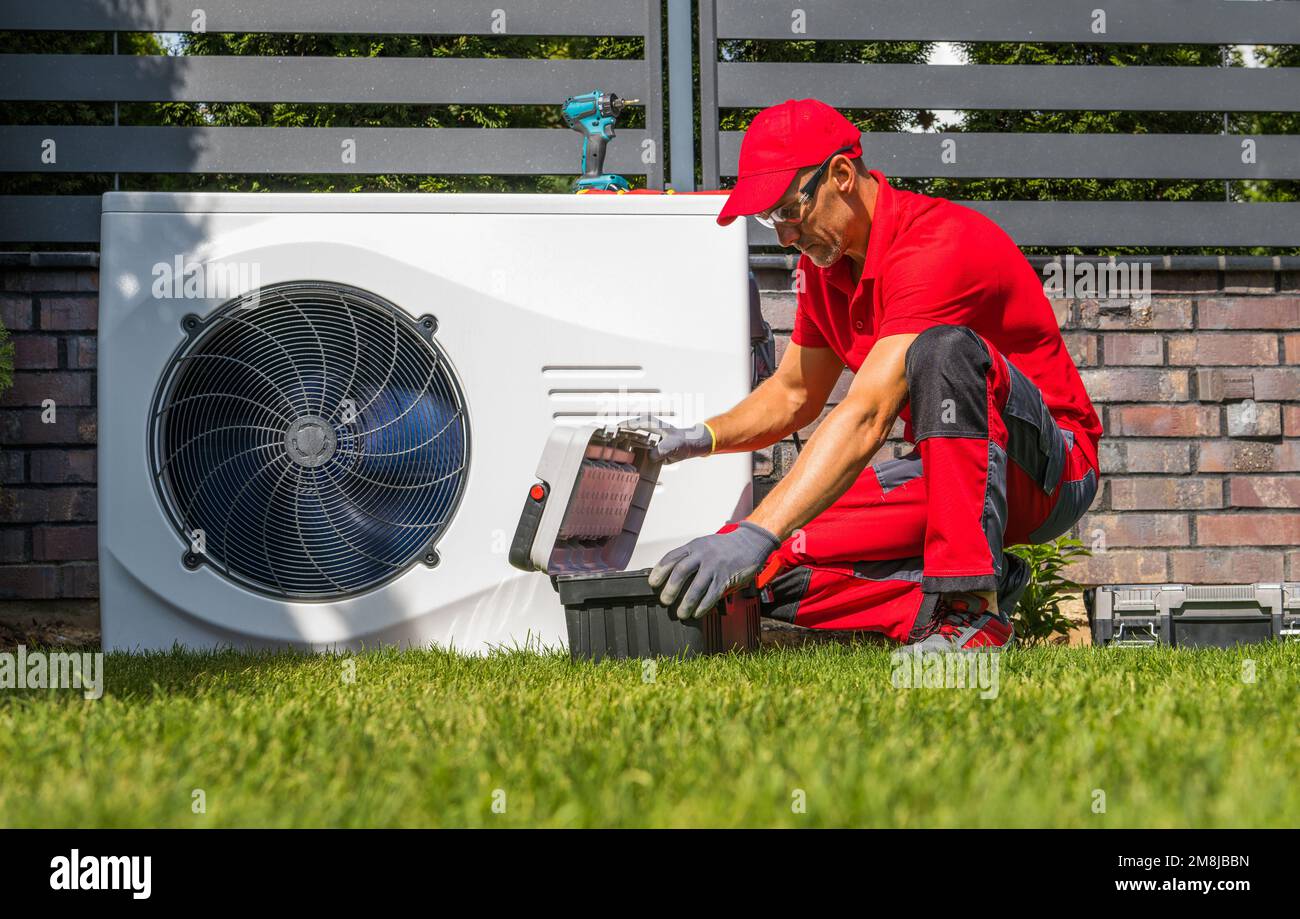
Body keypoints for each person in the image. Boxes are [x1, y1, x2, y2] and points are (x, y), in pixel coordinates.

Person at [640, 98, 1101, 651]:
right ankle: (968, 590)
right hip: (950, 476)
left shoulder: (938, 243)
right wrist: (701, 438)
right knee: (760, 565)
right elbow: (793, 394)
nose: (784, 236)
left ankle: (970, 611)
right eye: (771, 220)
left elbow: (868, 413)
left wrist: (757, 530)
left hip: (1050, 470)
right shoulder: (825, 268)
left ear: (840, 175)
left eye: (789, 211)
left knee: (941, 350)